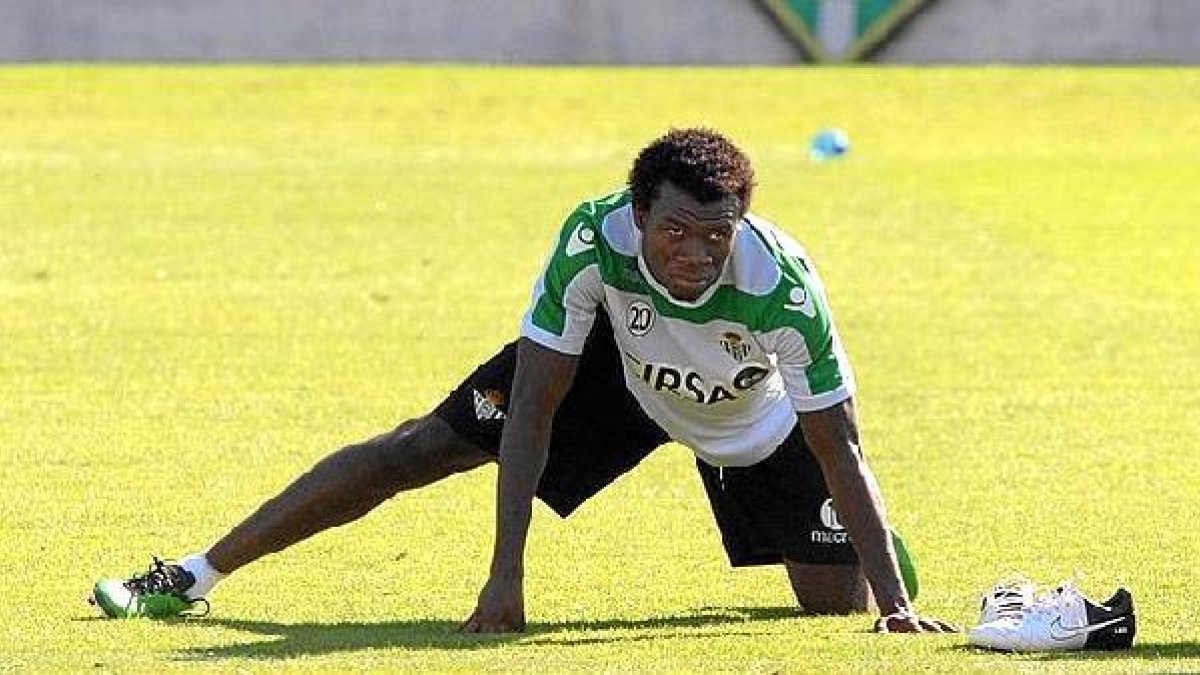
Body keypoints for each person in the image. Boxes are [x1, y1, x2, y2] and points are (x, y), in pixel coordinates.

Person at [92, 127, 955, 634]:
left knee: (829, 606)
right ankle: (193, 574)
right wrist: (506, 576)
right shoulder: (593, 239)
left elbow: (838, 441)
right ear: (639, 213)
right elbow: (534, 408)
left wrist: (893, 605)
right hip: (618, 374)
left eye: (716, 235)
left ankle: (879, 554)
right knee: (418, 447)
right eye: (677, 232)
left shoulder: (783, 287)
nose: (696, 255)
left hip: (749, 420)